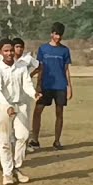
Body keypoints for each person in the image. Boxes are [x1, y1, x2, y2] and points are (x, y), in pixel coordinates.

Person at [0, 42, 36, 185]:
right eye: (6, 51)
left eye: (11, 50)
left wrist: (34, 94)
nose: (9, 53)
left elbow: (27, 84)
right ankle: (7, 174)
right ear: (1, 52)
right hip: (3, 107)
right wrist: (7, 106)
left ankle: (16, 167)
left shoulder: (21, 67)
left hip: (20, 105)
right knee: (4, 141)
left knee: (23, 136)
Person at [31, 22, 73, 150]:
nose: (58, 37)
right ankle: (35, 140)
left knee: (59, 113)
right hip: (46, 85)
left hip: (60, 86)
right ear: (51, 34)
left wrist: (69, 87)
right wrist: (38, 85)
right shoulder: (43, 49)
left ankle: (57, 141)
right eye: (56, 34)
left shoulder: (65, 50)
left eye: (60, 35)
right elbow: (40, 68)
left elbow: (66, 69)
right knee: (37, 111)